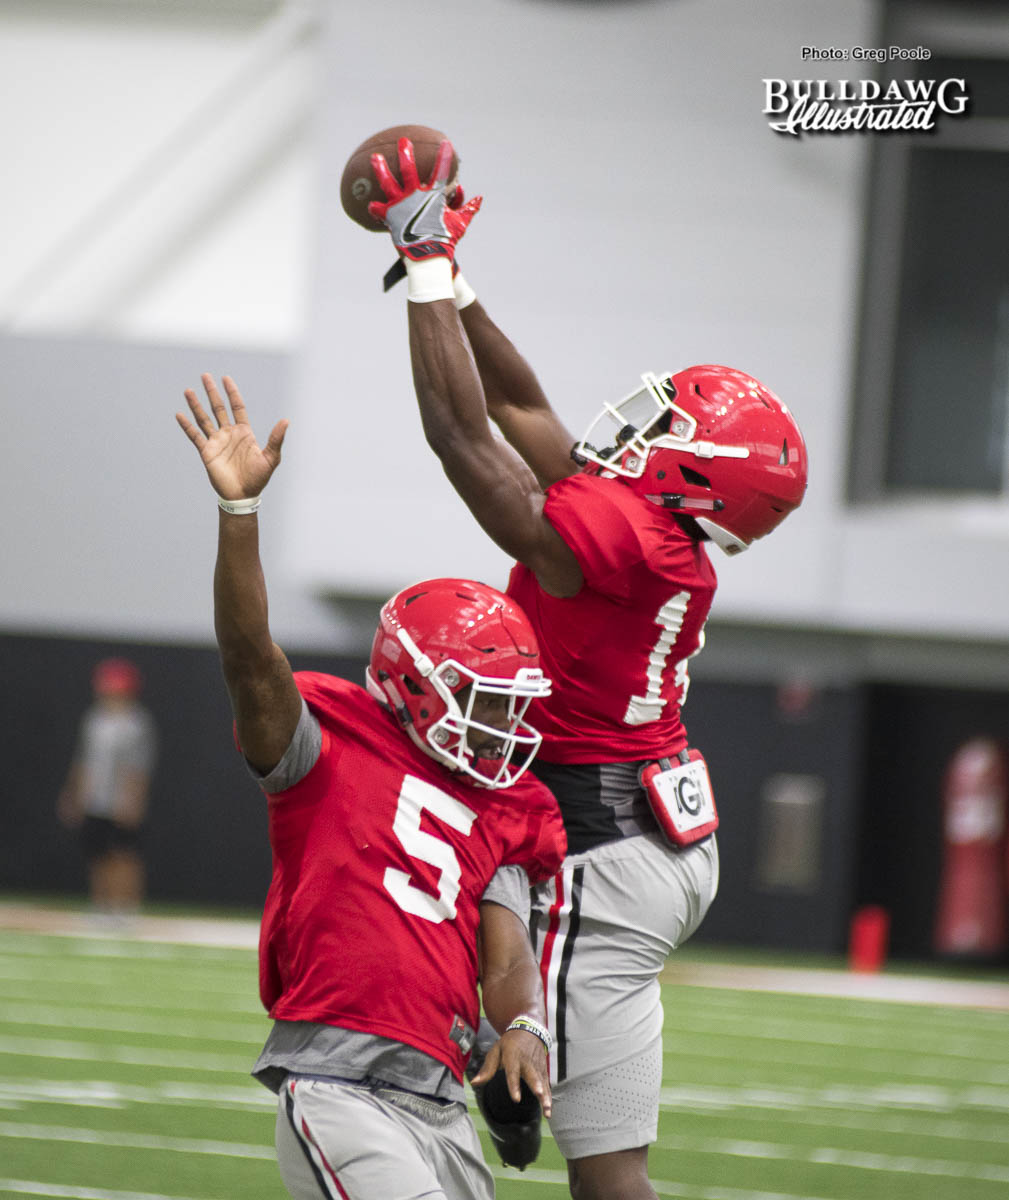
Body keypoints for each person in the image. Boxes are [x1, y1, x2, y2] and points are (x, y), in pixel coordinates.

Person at [366, 139, 809, 1200]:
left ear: (692, 468)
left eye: (668, 424)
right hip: (633, 832)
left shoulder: (633, 541)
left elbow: (463, 439)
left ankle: (511, 1075)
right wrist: (459, 289)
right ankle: (511, 1072)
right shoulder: (657, 533)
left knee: (608, 1180)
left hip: (599, 848)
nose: (636, 422)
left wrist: (421, 261)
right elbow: (520, 412)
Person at [175, 373, 568, 1200]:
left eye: (509, 707)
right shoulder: (330, 744)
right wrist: (239, 517)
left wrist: (524, 1027)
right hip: (339, 1081)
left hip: (441, 1099)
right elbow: (251, 661)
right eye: (483, 701)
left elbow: (506, 956)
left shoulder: (511, 806)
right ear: (415, 683)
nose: (500, 726)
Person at [58, 657, 156, 923]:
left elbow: (139, 767)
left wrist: (133, 799)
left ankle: (126, 908)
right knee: (97, 853)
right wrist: (73, 794)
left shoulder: (136, 723)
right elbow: (83, 760)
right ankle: (102, 906)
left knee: (123, 853)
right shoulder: (94, 720)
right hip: (95, 798)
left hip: (120, 799)